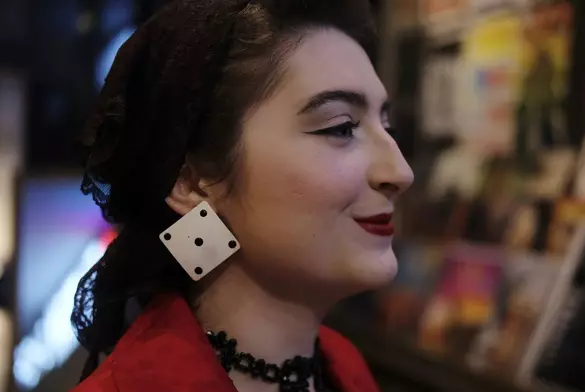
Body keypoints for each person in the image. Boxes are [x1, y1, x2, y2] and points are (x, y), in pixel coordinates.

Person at [70, 0, 413, 391]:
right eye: (341, 127)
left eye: (387, 126)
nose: (400, 172)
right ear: (192, 182)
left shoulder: (348, 371)